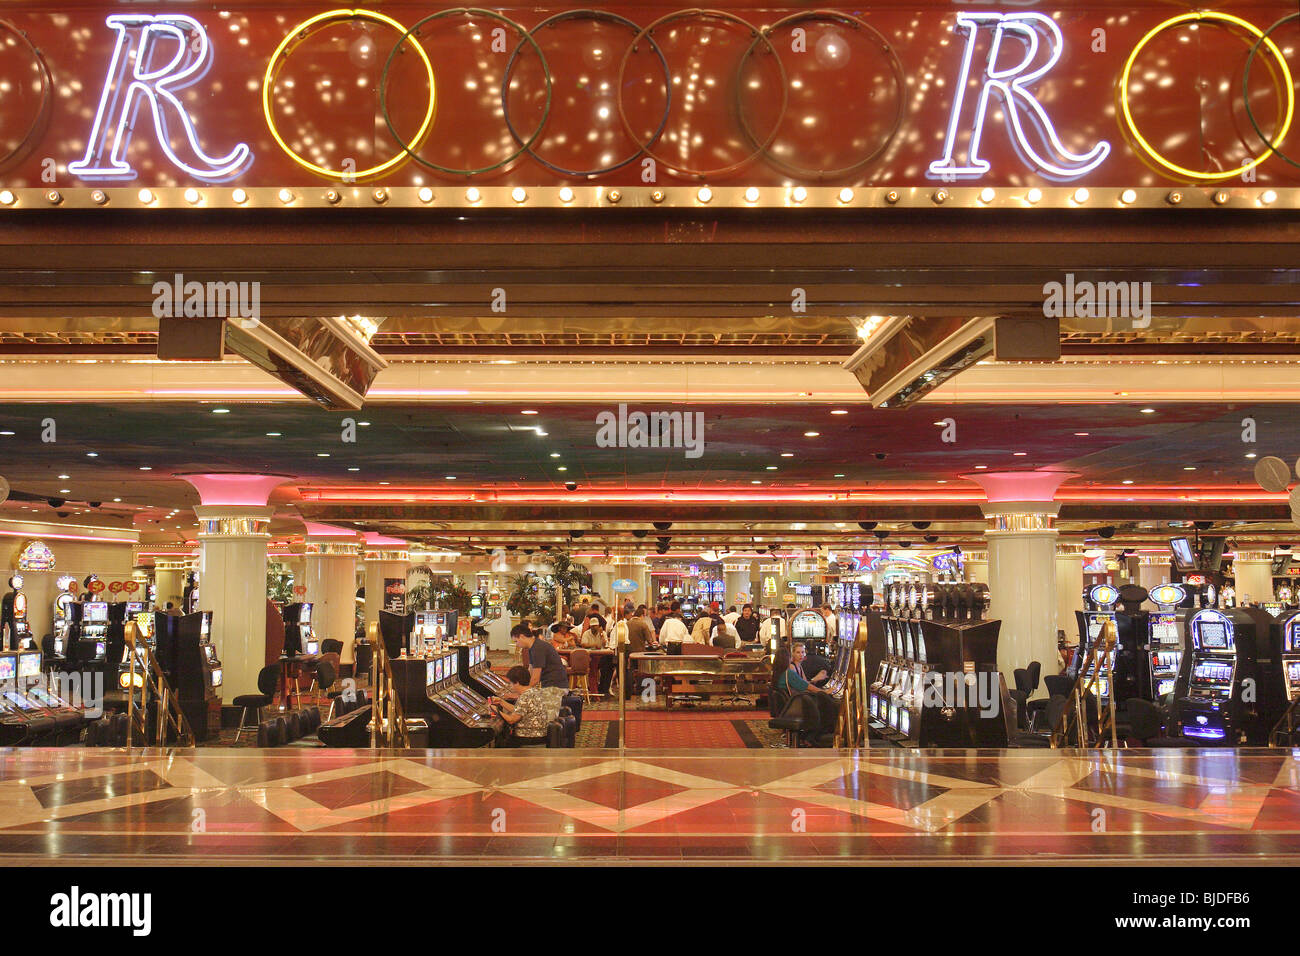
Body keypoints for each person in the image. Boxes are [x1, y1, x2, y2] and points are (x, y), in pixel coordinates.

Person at [771, 645, 838, 743]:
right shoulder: (788, 673)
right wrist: (824, 692)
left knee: (822, 700)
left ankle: (816, 735)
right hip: (795, 706)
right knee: (826, 704)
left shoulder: (778, 673)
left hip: (789, 706)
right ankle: (815, 736)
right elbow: (806, 686)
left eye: (802, 652)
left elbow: (805, 684)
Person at [489, 665, 561, 747]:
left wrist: (497, 711)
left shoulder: (525, 696)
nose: (511, 686)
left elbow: (512, 720)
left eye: (511, 683)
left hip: (529, 737)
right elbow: (519, 710)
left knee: (501, 741)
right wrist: (501, 702)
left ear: (517, 683)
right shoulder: (533, 691)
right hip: (539, 733)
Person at [511, 621, 569, 690]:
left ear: (522, 637)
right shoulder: (533, 646)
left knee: (520, 698)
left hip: (556, 689)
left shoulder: (537, 648)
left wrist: (523, 690)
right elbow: (531, 671)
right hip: (551, 687)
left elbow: (535, 678)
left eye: (516, 641)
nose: (517, 645)